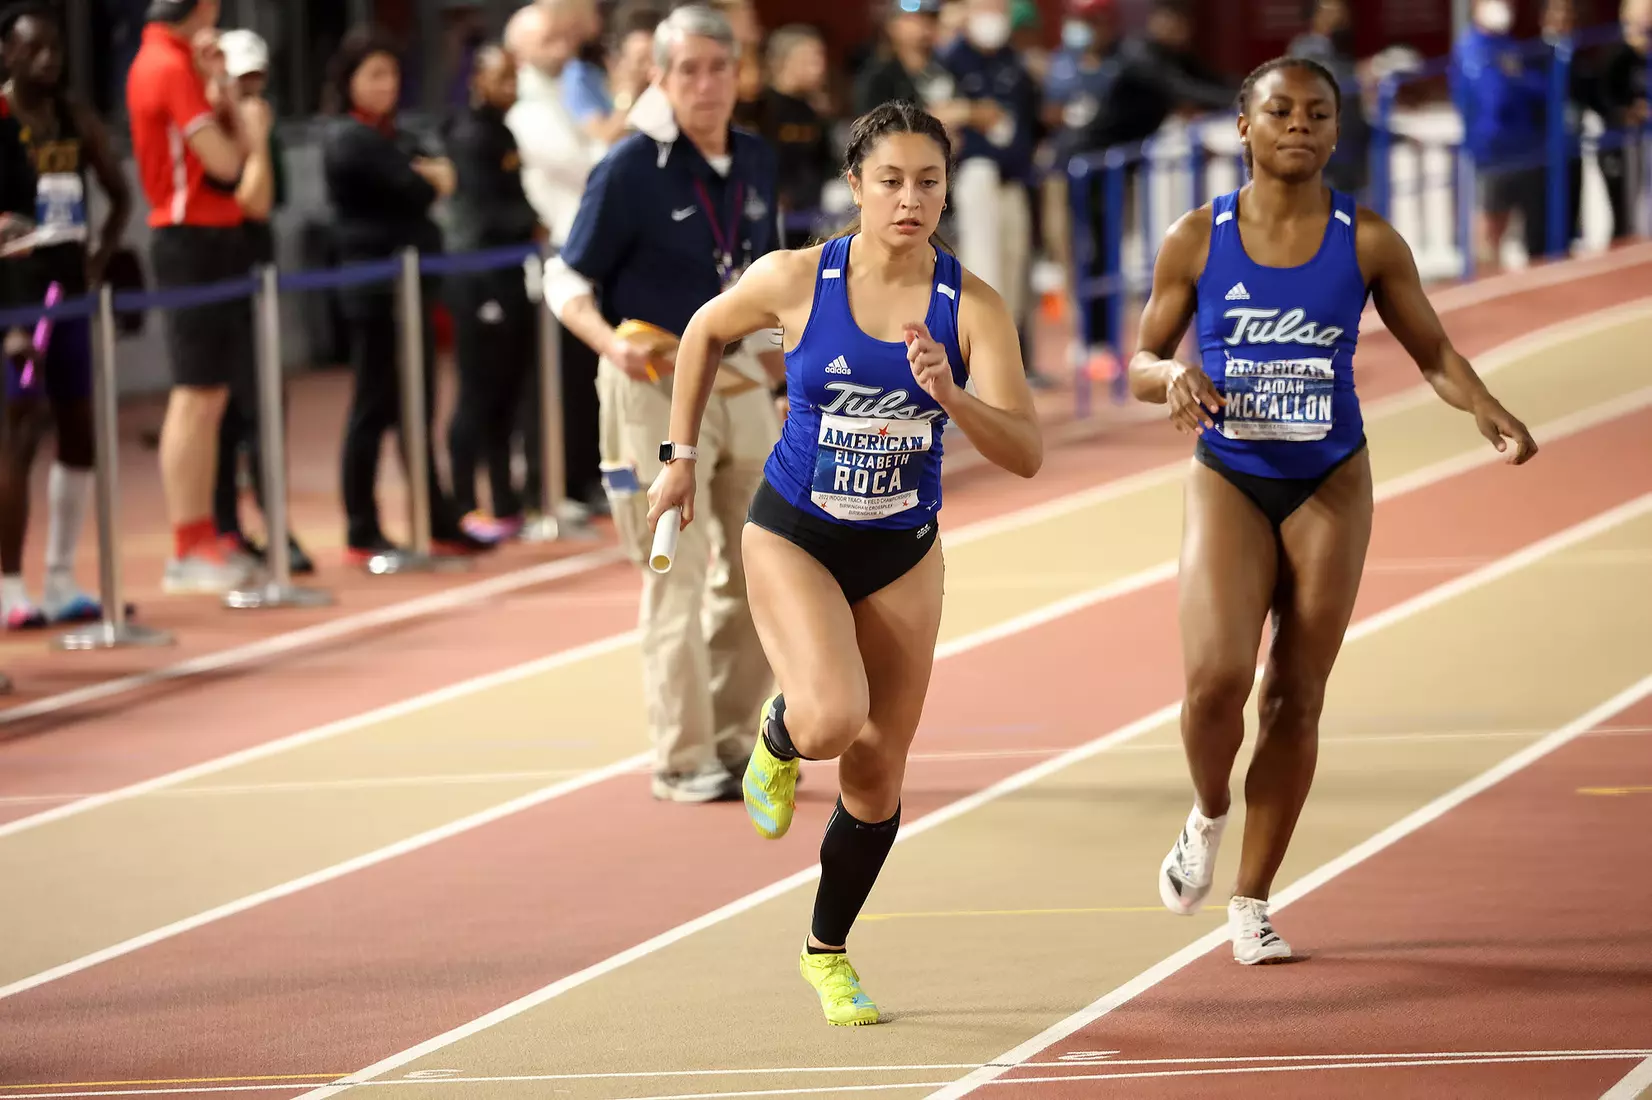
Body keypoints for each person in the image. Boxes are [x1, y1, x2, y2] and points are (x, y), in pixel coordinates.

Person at [1127, 57, 1538, 966]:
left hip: (1330, 480)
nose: (1300, 126)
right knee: (1215, 683)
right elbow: (1140, 361)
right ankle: (1208, 814)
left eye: (1318, 113)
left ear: (1336, 130)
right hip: (1232, 473)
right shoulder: (1198, 237)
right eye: (1280, 111)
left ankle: (1251, 901)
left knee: (1293, 694)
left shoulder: (1368, 239)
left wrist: (1484, 406)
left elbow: (1434, 352)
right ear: (1244, 126)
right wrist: (1173, 376)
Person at [645, 100, 1043, 1025]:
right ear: (855, 185)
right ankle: (782, 736)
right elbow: (702, 333)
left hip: (902, 550)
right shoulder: (796, 277)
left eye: (929, 182)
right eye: (891, 181)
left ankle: (826, 952)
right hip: (797, 531)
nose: (910, 200)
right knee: (830, 717)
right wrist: (680, 459)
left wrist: (952, 395)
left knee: (876, 777)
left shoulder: (972, 306)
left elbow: (1025, 451)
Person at [545, 3, 786, 803]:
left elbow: (761, 283)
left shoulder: (757, 160)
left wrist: (787, 375)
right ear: (660, 76)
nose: (706, 85)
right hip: (650, 383)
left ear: (739, 74)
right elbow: (565, 277)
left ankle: (729, 738)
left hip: (738, 379)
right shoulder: (629, 168)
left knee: (764, 566)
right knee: (673, 572)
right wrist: (608, 344)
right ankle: (681, 757)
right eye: (689, 70)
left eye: (720, 68)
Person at [320, 28, 489, 565]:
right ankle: (361, 527)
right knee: (373, 406)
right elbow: (417, 186)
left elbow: (445, 176)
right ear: (348, 81)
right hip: (375, 292)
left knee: (419, 405)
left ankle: (437, 518)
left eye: (391, 74)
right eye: (373, 74)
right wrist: (425, 176)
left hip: (413, 290)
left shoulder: (394, 134)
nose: (385, 85)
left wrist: (428, 174)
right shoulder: (348, 139)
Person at [0, 1, 130, 627]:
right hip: (16, 297)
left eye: (55, 48)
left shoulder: (74, 118)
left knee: (79, 430)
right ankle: (7, 588)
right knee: (19, 434)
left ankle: (59, 579)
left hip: (69, 290)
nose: (48, 59)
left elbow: (120, 194)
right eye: (34, 48)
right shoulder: (3, 121)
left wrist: (98, 257)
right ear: (7, 53)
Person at [126, 0, 262, 593]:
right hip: (188, 239)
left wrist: (220, 88)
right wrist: (244, 130)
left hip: (213, 236)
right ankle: (188, 545)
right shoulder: (165, 65)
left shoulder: (185, 63)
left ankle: (204, 535)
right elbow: (226, 163)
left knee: (211, 396)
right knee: (194, 394)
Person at [210, 26, 316, 575]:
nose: (250, 94)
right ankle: (225, 525)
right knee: (223, 409)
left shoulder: (262, 125)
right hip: (220, 270)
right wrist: (250, 139)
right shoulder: (213, 131)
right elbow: (249, 198)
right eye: (240, 82)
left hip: (259, 268)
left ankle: (273, 520)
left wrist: (258, 138)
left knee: (266, 404)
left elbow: (271, 199)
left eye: (257, 81)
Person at [442, 42, 542, 541]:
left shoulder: (502, 131)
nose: (511, 87)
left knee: (507, 393)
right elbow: (482, 211)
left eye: (514, 77)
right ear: (477, 79)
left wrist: (531, 221)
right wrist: (530, 223)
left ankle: (505, 501)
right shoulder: (468, 135)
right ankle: (463, 503)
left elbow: (515, 200)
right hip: (477, 277)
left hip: (509, 273)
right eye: (501, 77)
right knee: (477, 394)